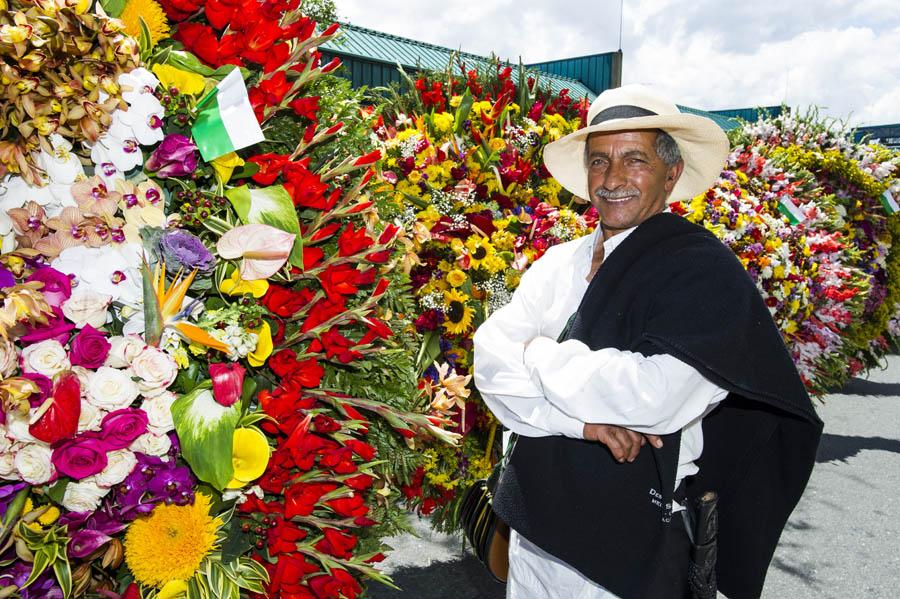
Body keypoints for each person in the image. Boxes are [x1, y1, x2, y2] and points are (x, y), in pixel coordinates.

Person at [473, 85, 822, 599]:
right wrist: (580, 423)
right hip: (536, 538)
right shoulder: (558, 264)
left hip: (631, 548)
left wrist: (538, 353)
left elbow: (650, 399)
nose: (612, 179)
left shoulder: (704, 275)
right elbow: (491, 366)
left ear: (672, 173)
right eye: (599, 161)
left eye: (634, 159)